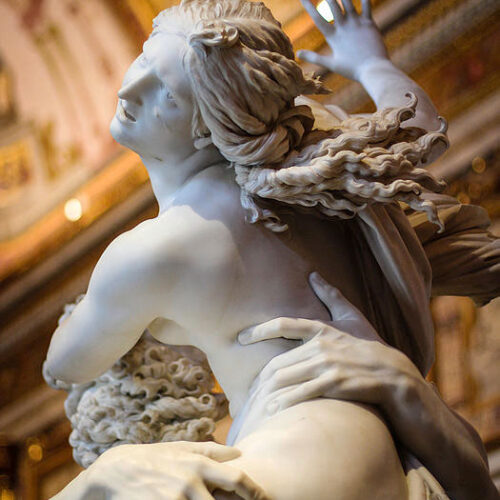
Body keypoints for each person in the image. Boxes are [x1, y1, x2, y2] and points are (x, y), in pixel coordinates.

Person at [45, 0, 499, 498]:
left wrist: (116, 313)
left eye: (166, 95)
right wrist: (371, 62)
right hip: (368, 442)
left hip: (305, 448)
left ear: (205, 126)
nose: (129, 90)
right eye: (143, 60)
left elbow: (64, 364)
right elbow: (419, 133)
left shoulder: (157, 248)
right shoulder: (313, 169)